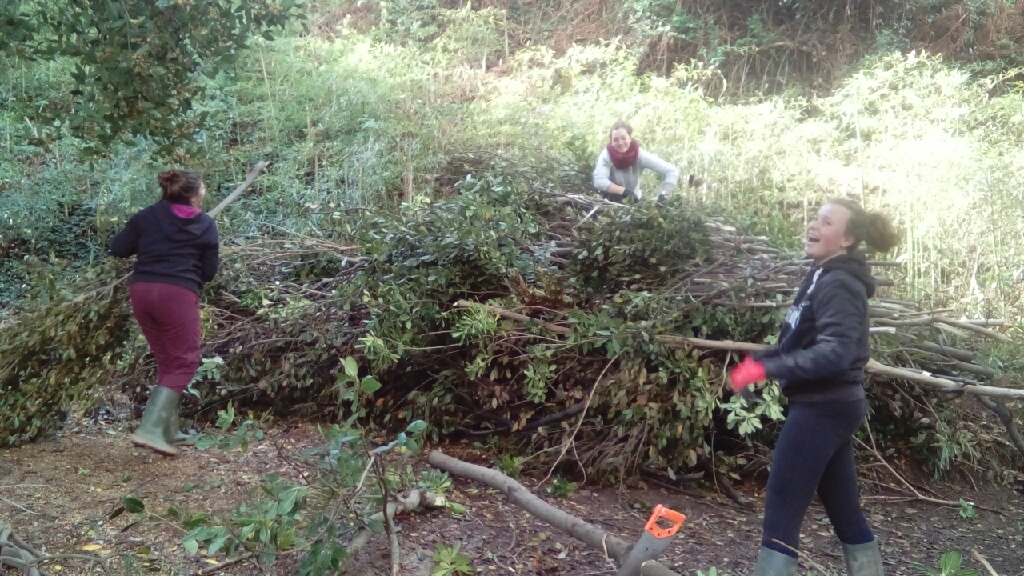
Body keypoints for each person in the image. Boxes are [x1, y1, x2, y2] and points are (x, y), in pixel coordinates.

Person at [728, 198, 900, 576]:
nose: (814, 225)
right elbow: (798, 340)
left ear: (847, 238)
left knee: (782, 508)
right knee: (844, 509)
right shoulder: (821, 274)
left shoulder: (840, 283)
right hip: (831, 403)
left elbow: (835, 353)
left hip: (825, 406)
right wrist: (762, 366)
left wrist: (767, 369)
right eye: (815, 218)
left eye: (826, 222)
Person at [110, 169, 219, 456]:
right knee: (184, 362)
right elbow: (208, 273)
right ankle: (149, 430)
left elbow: (118, 248)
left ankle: (168, 430)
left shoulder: (146, 216)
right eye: (204, 187)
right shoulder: (204, 223)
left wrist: (152, 244)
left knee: (169, 360)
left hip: (143, 291)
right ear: (195, 193)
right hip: (177, 294)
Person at [592, 121, 680, 204]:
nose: (620, 143)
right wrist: (624, 192)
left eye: (623, 138)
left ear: (630, 138)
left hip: (634, 204)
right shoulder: (606, 156)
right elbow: (599, 181)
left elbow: (671, 171)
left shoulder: (639, 155)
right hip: (609, 203)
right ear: (611, 142)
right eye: (615, 140)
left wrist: (665, 194)